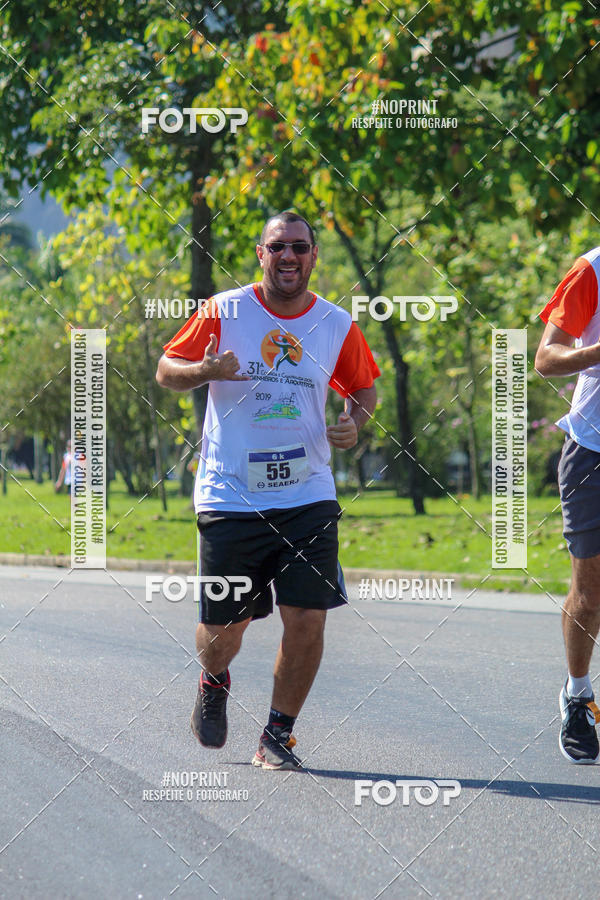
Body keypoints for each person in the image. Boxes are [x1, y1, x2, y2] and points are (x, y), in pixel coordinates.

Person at [156, 211, 380, 770]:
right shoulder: (224, 310)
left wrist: (355, 423)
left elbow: (364, 390)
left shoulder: (334, 323)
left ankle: (278, 734)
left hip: (308, 495)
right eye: (278, 247)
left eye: (299, 247)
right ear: (261, 253)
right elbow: (165, 368)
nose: (289, 257)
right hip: (231, 496)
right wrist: (206, 369)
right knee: (220, 634)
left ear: (313, 255)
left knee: (307, 617)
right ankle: (214, 680)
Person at [536, 247, 600, 763]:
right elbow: (546, 359)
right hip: (594, 449)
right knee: (590, 587)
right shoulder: (592, 270)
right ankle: (577, 694)